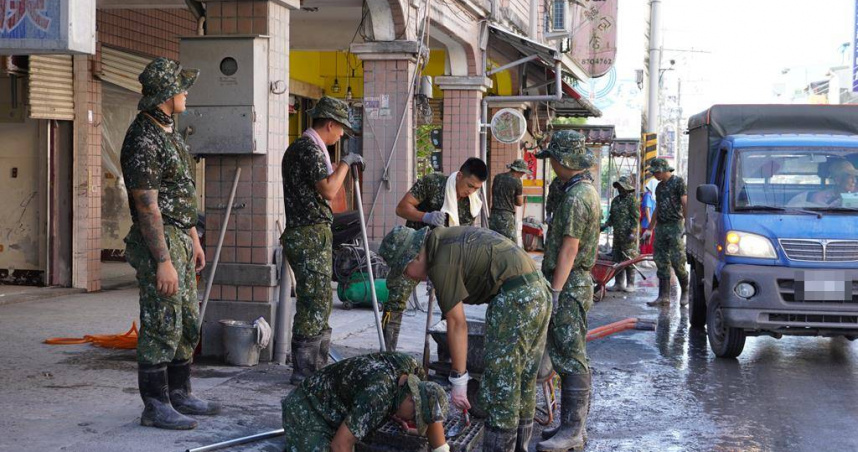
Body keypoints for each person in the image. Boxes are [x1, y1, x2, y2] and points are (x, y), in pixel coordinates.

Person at [379, 225, 550, 452]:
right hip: (538, 290)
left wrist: (459, 380)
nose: (407, 276)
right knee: (524, 381)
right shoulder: (443, 240)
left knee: (502, 391)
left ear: (416, 256)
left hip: (516, 300)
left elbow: (457, 323)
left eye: (404, 269)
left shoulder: (440, 262)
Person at [121, 57, 220, 430]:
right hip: (158, 240)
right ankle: (155, 405)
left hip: (180, 235)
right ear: (166, 94)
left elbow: (181, 193)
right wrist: (162, 259)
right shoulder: (142, 138)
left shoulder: (168, 130)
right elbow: (148, 207)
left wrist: (194, 238)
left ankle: (180, 394)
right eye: (181, 86)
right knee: (162, 320)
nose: (186, 91)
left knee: (186, 321)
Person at [281, 96, 364, 384]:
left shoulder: (307, 148)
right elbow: (328, 190)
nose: (341, 135)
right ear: (330, 124)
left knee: (319, 302)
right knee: (313, 302)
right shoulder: (308, 150)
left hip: (310, 233)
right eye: (341, 129)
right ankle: (305, 372)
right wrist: (345, 162)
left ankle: (316, 368)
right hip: (307, 234)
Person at [533, 130, 601, 452]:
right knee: (568, 352)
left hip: (570, 283)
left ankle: (573, 430)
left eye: (554, 161)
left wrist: (556, 291)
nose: (553, 167)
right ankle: (571, 428)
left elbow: (569, 248)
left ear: (563, 161)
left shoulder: (577, 197)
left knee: (571, 355)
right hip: (575, 281)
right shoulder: (579, 189)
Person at [381, 158, 488, 352]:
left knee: (451, 305)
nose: (471, 191)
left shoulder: (472, 203)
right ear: (460, 175)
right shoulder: (433, 183)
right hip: (415, 254)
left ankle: (446, 357)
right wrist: (426, 216)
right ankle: (387, 353)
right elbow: (401, 208)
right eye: (469, 186)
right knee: (395, 300)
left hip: (445, 257)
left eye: (476, 188)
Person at [281, 352, 451, 452]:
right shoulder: (377, 395)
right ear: (410, 398)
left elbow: (432, 414)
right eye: (414, 417)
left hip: (342, 406)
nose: (411, 422)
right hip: (309, 407)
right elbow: (340, 445)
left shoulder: (414, 373)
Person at [641, 158, 689, 307]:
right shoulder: (659, 188)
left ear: (663, 169)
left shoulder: (678, 182)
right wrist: (649, 229)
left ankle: (685, 291)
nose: (655, 175)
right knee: (660, 260)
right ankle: (663, 296)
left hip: (675, 225)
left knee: (677, 260)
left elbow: (685, 202)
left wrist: (687, 224)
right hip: (661, 227)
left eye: (656, 172)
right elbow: (657, 208)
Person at [602, 176, 640, 293]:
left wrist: (633, 233)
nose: (619, 189)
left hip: (628, 236)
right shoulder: (615, 200)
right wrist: (605, 225)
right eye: (618, 187)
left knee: (629, 259)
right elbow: (612, 217)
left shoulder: (632, 200)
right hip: (617, 235)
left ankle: (630, 283)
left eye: (621, 187)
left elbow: (635, 217)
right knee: (617, 259)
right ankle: (619, 283)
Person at [489, 159, 527, 242]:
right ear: (520, 171)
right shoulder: (517, 181)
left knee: (494, 243)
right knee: (511, 245)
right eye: (523, 172)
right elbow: (519, 203)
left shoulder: (497, 177)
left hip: (493, 215)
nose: (523, 175)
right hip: (506, 217)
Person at [640, 186, 655, 255]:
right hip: (647, 224)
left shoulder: (651, 196)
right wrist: (650, 224)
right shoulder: (648, 195)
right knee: (646, 241)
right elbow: (647, 209)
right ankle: (644, 257)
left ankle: (647, 257)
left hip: (651, 223)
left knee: (650, 242)